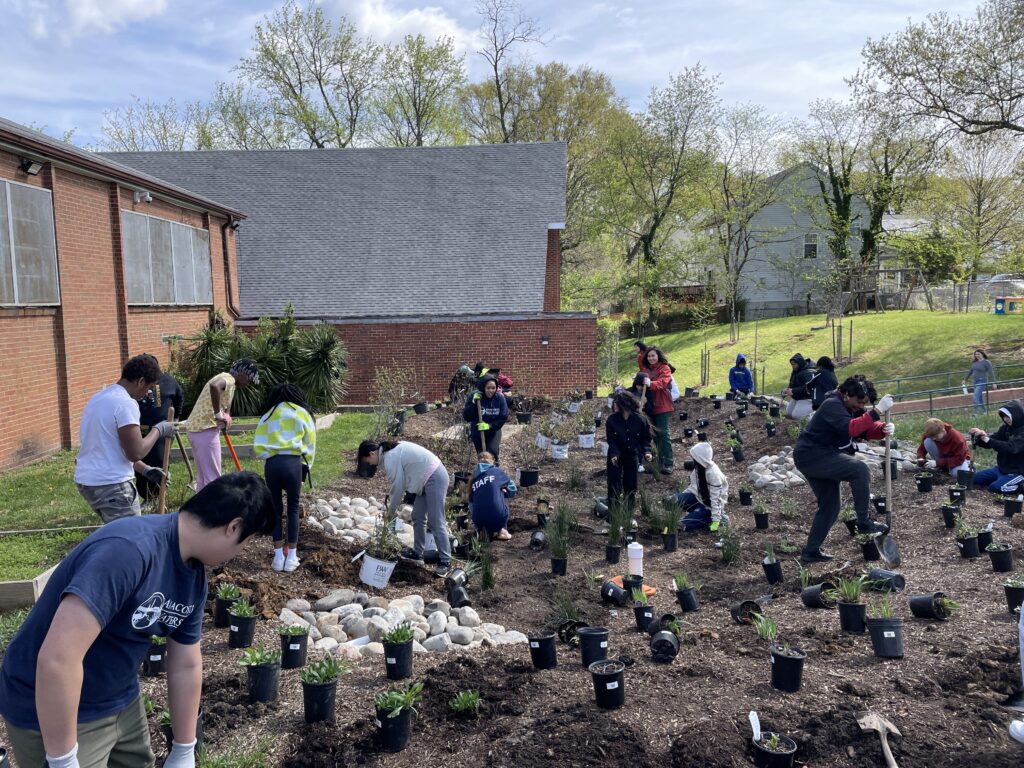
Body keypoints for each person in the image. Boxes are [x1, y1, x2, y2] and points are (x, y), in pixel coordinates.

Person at [0, 472, 275, 768]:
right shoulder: (128, 552)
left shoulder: (193, 575)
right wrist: (63, 761)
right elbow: (57, 659)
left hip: (119, 698)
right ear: (233, 528)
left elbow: (186, 662)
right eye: (244, 544)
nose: (238, 554)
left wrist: (184, 748)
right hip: (54, 707)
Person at [794, 376, 893, 564]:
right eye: (859, 402)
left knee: (831, 506)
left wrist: (882, 429)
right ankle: (864, 522)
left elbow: (865, 428)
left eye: (863, 404)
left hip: (820, 455)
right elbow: (852, 429)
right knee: (859, 470)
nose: (859, 407)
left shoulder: (849, 407)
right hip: (812, 455)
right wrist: (877, 411)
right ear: (846, 394)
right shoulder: (832, 404)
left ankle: (811, 552)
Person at [74, 354, 176, 524]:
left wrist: (146, 470)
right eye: (148, 387)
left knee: (115, 534)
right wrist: (158, 430)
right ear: (141, 381)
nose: (147, 393)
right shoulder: (125, 403)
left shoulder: (99, 398)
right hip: (112, 485)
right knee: (132, 539)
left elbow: (113, 447)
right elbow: (136, 452)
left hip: (88, 481)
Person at [357, 439, 452, 577]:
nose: (370, 464)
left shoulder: (390, 457)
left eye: (367, 461)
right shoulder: (388, 454)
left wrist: (390, 513)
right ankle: (418, 554)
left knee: (436, 521)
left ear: (372, 454)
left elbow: (398, 488)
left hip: (435, 476)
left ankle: (445, 562)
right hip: (424, 480)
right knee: (418, 517)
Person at [254, 383, 317, 573]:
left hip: (272, 465)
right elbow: (310, 441)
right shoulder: (301, 413)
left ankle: (277, 556)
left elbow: (259, 445)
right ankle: (291, 558)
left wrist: (269, 455)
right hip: (293, 464)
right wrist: (306, 466)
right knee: (293, 508)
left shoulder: (268, 415)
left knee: (275, 509)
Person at [181, 359, 259, 493]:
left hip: (196, 430)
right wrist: (218, 414)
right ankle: (216, 511)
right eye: (249, 380)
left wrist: (226, 416)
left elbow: (226, 403)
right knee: (213, 478)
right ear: (242, 374)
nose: (248, 384)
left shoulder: (229, 381)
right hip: (205, 430)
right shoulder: (228, 379)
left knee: (203, 478)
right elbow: (214, 386)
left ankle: (200, 510)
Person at [135, 369, 185, 502]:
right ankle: (146, 496)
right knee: (141, 461)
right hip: (140, 429)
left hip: (161, 431)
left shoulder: (168, 381)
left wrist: (175, 420)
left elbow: (179, 396)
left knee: (158, 459)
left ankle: (157, 496)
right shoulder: (138, 383)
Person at [605, 391, 653, 504]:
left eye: (616, 403)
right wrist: (615, 454)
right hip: (616, 455)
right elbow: (612, 441)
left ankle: (628, 511)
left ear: (623, 404)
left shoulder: (640, 420)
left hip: (632, 454)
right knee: (613, 483)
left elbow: (645, 438)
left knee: (631, 483)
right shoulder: (612, 420)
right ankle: (613, 510)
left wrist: (647, 451)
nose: (614, 406)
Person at [672, 442, 730, 532]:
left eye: (694, 457)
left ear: (700, 458)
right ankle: (696, 512)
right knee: (671, 500)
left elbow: (716, 499)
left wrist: (716, 520)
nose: (692, 459)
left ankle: (718, 518)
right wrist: (681, 498)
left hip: (709, 505)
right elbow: (693, 487)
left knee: (683, 524)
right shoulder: (698, 468)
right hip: (697, 498)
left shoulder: (714, 475)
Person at [969, 401, 1024, 494]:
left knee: (996, 488)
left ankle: (1020, 487)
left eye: (1008, 416)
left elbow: (1011, 448)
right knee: (973, 479)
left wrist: (987, 440)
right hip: (1001, 469)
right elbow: (991, 441)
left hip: (1018, 472)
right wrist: (979, 437)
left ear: (1016, 415)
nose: (1006, 419)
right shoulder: (1005, 428)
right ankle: (1002, 480)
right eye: (1003, 417)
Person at [639, 346, 675, 473]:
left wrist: (650, 384)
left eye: (653, 355)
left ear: (658, 356)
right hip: (650, 406)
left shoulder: (665, 368)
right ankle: (660, 460)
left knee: (663, 433)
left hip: (663, 405)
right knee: (654, 435)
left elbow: (664, 382)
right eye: (649, 356)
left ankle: (669, 462)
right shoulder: (645, 370)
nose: (651, 358)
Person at [469, 451, 517, 541]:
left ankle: (482, 530)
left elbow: (471, 506)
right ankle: (502, 530)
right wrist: (506, 491)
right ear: (492, 461)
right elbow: (513, 490)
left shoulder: (473, 481)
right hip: (498, 518)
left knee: (478, 498)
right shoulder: (497, 472)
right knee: (502, 491)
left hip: (479, 522)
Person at [463, 374, 509, 463]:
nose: (491, 390)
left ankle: (494, 472)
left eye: (493, 388)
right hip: (478, 430)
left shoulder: (499, 398)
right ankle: (484, 475)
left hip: (494, 430)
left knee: (492, 452)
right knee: (482, 456)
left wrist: (489, 426)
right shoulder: (475, 396)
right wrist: (473, 403)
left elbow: (503, 416)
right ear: (483, 387)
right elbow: (467, 417)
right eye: (488, 388)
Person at [963, 349, 997, 415]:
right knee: (979, 397)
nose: (977, 355)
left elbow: (991, 373)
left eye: (978, 354)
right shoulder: (974, 362)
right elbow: (970, 371)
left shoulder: (986, 362)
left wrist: (994, 382)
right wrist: (965, 379)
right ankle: (985, 411)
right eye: (975, 354)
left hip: (982, 381)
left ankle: (975, 413)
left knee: (975, 396)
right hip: (975, 382)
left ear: (982, 354)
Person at [784, 353, 816, 420]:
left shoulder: (808, 372)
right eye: (792, 364)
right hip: (798, 397)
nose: (793, 366)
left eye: (795, 364)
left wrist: (793, 390)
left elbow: (809, 387)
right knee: (788, 413)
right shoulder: (796, 370)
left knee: (796, 416)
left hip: (807, 398)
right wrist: (788, 389)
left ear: (800, 363)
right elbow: (793, 382)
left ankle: (814, 412)